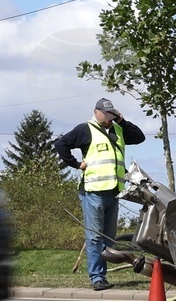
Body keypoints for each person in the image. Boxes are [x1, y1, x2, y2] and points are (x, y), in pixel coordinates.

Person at [54, 98, 145, 291]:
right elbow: (61, 144)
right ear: (96, 112)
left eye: (112, 113)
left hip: (114, 191)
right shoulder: (85, 129)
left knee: (108, 238)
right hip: (93, 191)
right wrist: (77, 164)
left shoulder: (118, 129)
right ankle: (97, 277)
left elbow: (139, 137)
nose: (109, 117)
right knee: (95, 237)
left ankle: (101, 275)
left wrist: (122, 121)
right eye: (106, 113)